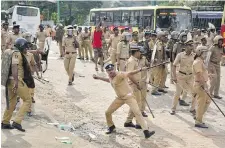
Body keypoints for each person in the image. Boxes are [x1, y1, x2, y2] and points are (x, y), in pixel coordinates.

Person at [92, 64, 155, 138]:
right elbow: (109, 80)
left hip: (129, 97)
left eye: (112, 69)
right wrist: (98, 77)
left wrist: (141, 69)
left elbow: (130, 73)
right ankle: (111, 127)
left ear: (114, 69)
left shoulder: (120, 75)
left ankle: (146, 132)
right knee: (107, 112)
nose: (111, 71)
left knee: (137, 112)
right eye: (109, 70)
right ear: (107, 71)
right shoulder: (110, 77)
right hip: (119, 98)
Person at [1, 38, 34, 132]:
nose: (26, 49)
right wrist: (16, 81)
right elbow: (14, 66)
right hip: (16, 81)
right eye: (25, 47)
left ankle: (5, 122)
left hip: (8, 81)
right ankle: (17, 121)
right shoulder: (16, 53)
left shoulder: (8, 51)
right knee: (27, 100)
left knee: (12, 102)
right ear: (21, 46)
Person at [171, 40, 197, 115]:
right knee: (178, 93)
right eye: (189, 45)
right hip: (181, 76)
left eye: (192, 45)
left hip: (190, 77)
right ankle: (173, 108)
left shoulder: (194, 55)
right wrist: (174, 77)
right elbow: (174, 65)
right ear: (185, 46)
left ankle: (192, 109)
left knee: (194, 93)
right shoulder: (180, 55)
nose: (191, 47)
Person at [124, 46, 143, 129]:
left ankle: (128, 121)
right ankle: (139, 123)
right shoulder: (132, 61)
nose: (140, 53)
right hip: (133, 85)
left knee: (134, 104)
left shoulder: (135, 60)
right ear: (136, 52)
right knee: (137, 104)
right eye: (139, 52)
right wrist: (137, 84)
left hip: (135, 84)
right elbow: (129, 74)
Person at [193, 46, 211, 128]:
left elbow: (203, 73)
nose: (206, 54)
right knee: (201, 104)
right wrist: (204, 87)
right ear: (199, 52)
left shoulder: (201, 61)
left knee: (207, 101)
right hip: (200, 85)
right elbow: (199, 75)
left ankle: (198, 116)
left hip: (203, 84)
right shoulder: (197, 62)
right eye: (204, 53)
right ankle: (198, 121)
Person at [150, 31, 168, 95]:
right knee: (157, 76)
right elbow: (158, 54)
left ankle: (161, 87)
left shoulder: (162, 43)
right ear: (160, 37)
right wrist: (160, 62)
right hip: (158, 63)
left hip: (162, 62)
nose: (165, 37)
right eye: (163, 36)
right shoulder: (158, 43)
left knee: (164, 74)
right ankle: (154, 90)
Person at [139, 48, 150, 117]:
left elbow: (148, 65)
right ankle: (135, 112)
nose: (142, 55)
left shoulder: (144, 58)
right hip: (136, 81)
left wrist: (148, 64)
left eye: (143, 54)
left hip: (143, 81)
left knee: (143, 97)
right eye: (141, 53)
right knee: (136, 98)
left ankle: (142, 111)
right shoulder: (133, 60)